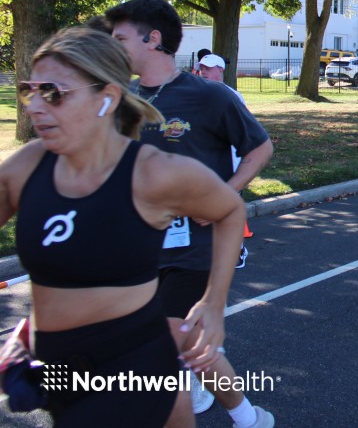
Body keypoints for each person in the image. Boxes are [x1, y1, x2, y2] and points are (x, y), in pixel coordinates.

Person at [0, 27, 245, 426]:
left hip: (136, 369)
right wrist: (28, 333)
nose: (35, 107)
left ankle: (248, 416)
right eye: (30, 91)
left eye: (54, 92)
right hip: (61, 372)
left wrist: (214, 304)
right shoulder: (26, 167)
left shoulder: (154, 173)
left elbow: (230, 210)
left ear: (108, 97)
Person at [106, 0, 275, 428]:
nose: (112, 47)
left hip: (197, 247)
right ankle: (249, 417)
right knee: (185, 342)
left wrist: (223, 194)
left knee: (167, 338)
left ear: (152, 39)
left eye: (120, 38)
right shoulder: (122, 101)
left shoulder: (210, 95)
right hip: (142, 246)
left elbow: (261, 148)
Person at [197, 53, 254, 263]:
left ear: (220, 70)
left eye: (208, 68)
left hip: (228, 162)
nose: (203, 72)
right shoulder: (195, 94)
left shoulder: (232, 96)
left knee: (228, 208)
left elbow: (246, 134)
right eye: (202, 68)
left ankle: (237, 250)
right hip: (203, 162)